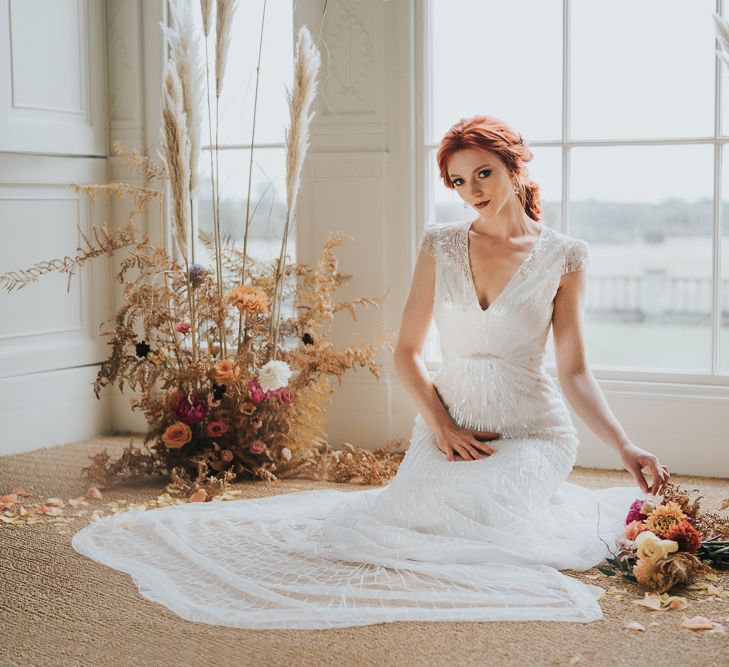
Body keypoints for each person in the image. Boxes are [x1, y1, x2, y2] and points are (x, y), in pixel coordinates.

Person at [71, 115, 670, 631]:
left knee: (490, 521)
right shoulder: (441, 244)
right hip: (450, 424)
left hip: (533, 430)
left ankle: (529, 490)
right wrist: (438, 426)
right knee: (410, 516)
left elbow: (575, 372)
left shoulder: (565, 256)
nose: (472, 190)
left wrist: (624, 444)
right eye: (458, 181)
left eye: (483, 172)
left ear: (515, 166)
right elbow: (407, 351)